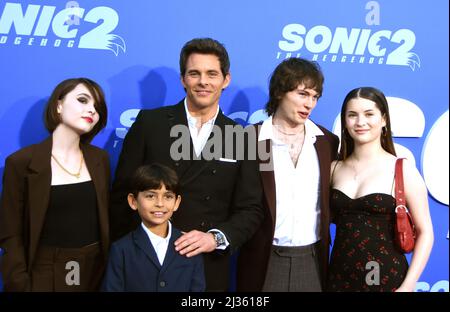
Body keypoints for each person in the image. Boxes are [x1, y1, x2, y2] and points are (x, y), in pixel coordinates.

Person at [110, 38, 263, 291]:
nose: (203, 81)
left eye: (212, 74)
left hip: (207, 265)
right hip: (147, 264)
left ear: (226, 80)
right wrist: (135, 252)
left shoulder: (239, 136)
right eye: (195, 73)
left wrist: (215, 238)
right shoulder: (151, 123)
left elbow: (250, 209)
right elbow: (121, 195)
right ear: (183, 79)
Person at [237, 58, 339, 291]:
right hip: (263, 260)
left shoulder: (326, 142)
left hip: (313, 260)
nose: (310, 104)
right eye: (303, 94)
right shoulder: (249, 139)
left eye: (315, 97)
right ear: (280, 92)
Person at [0, 78, 110, 291]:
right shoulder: (21, 162)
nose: (91, 111)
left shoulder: (100, 159)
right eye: (82, 100)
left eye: (97, 108)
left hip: (93, 270)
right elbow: (10, 232)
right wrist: (19, 283)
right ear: (58, 105)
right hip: (45, 270)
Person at [327, 87, 434, 292]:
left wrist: (409, 284)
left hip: (385, 279)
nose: (360, 122)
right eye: (352, 115)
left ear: (384, 119)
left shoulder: (402, 170)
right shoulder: (333, 169)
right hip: (338, 277)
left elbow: (425, 232)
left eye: (369, 114)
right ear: (344, 121)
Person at [102, 164, 205, 291]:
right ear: (133, 201)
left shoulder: (190, 246)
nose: (160, 204)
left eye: (168, 196)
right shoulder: (121, 250)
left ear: (176, 202)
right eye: (150, 196)